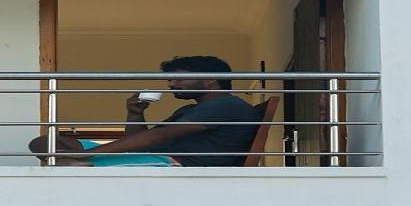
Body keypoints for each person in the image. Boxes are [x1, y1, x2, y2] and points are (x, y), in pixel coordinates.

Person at [52, 54, 264, 167]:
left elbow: (159, 136)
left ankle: (83, 164)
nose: (171, 85)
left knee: (63, 162)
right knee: (47, 144)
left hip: (175, 164)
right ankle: (83, 162)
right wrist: (135, 113)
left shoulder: (228, 105)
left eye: (179, 79)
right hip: (156, 156)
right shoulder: (190, 109)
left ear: (210, 79)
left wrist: (88, 154)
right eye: (170, 80)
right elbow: (142, 144)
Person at [27, 131, 178, 167]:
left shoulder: (86, 149)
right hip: (163, 162)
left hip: (168, 164)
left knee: (38, 144)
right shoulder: (88, 150)